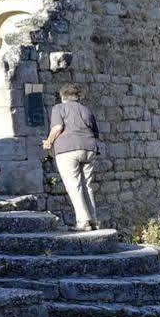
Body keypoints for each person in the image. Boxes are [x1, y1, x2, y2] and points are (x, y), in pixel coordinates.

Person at [41, 83, 103, 231]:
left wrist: (49, 142)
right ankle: (93, 220)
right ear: (77, 97)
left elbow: (57, 128)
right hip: (89, 148)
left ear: (63, 97)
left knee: (74, 185)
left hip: (67, 150)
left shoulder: (59, 108)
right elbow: (95, 133)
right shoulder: (86, 110)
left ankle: (83, 222)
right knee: (86, 185)